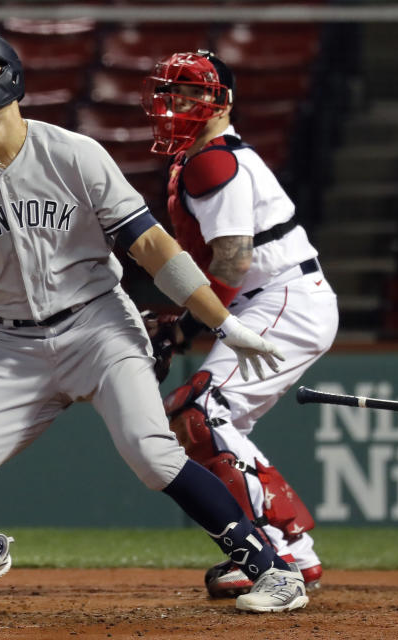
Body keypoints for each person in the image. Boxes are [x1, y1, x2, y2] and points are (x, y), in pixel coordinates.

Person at [0, 31, 311, 614]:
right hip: (14, 343)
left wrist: (222, 321)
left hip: (100, 325)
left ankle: (272, 569)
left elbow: (148, 244)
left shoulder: (73, 153)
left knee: (154, 456)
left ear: (13, 78)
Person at [140, 51, 338, 597]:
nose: (177, 104)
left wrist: (186, 327)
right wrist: (182, 316)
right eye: (172, 93)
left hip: (282, 296)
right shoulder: (202, 156)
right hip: (269, 297)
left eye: (192, 93)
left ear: (221, 101)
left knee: (202, 411)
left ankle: (288, 553)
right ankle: (264, 550)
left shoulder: (214, 161)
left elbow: (232, 261)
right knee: (197, 419)